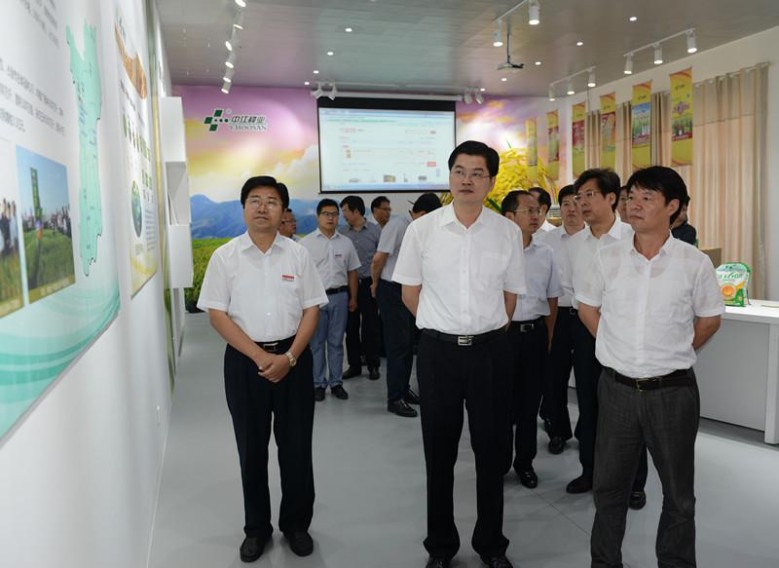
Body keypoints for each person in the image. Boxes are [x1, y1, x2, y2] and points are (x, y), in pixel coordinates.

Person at [577, 166, 723, 568]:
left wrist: (675, 351)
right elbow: (587, 307)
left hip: (672, 393)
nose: (634, 205)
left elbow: (710, 318)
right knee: (609, 489)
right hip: (617, 390)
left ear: (672, 207)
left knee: (678, 494)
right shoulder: (608, 257)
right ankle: (605, 562)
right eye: (631, 197)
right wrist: (614, 344)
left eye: (646, 198)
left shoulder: (693, 262)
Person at [394, 141, 526, 568]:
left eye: (477, 173)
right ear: (449, 176)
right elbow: (410, 293)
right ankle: (440, 547)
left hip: (490, 352)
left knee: (491, 451)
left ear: (491, 181)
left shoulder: (506, 232)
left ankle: (491, 544)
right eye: (459, 171)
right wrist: (442, 325)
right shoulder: (423, 230)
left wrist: (485, 329)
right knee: (439, 453)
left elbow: (510, 296)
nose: (467, 180)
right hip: (438, 354)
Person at [197, 175, 327, 562]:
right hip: (244, 363)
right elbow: (217, 315)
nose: (262, 207)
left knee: (297, 449)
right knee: (251, 450)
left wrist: (289, 358)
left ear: (283, 210)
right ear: (243, 208)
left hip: (294, 361)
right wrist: (259, 357)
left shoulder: (298, 255)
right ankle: (256, 529)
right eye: (254, 200)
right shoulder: (225, 257)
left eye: (271, 201)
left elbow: (312, 309)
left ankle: (296, 525)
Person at [560, 169, 649, 509]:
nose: (581, 203)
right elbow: (572, 290)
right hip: (586, 333)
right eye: (578, 196)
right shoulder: (575, 244)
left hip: (625, 332)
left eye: (589, 195)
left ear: (611, 198)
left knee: (630, 411)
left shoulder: (633, 237)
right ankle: (591, 471)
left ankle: (635, 483)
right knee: (589, 405)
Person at [501, 190, 560, 488]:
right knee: (500, 403)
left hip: (534, 334)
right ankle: (499, 461)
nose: (536, 216)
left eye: (538, 210)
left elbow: (552, 299)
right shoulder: (495, 253)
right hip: (503, 337)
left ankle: (525, 463)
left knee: (529, 404)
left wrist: (548, 337)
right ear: (509, 217)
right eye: (529, 211)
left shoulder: (546, 253)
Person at [371, 193, 441, 418]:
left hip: (411, 290)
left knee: (409, 344)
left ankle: (404, 389)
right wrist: (374, 284)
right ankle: (395, 398)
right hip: (392, 290)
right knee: (397, 346)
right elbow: (378, 259)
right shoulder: (398, 226)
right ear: (424, 214)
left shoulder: (418, 227)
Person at [535, 185, 584, 455]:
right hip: (557, 315)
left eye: (576, 202)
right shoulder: (547, 241)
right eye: (566, 204)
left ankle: (587, 432)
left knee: (588, 379)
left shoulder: (596, 239)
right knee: (554, 377)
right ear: (559, 208)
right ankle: (558, 431)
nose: (571, 209)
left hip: (588, 315)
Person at [299, 199, 361, 401]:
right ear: (318, 216)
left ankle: (336, 383)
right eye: (326, 214)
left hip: (340, 297)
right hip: (315, 300)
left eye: (334, 214)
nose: (330, 218)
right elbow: (300, 276)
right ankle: (318, 383)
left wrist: (353, 297)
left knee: (336, 342)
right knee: (316, 343)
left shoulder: (346, 243)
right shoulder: (305, 244)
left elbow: (352, 272)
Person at [339, 195, 382, 380]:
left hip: (369, 284)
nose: (343, 215)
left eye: (345, 211)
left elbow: (382, 259)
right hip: (349, 286)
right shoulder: (342, 233)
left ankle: (373, 365)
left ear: (356, 211)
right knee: (351, 327)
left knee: (371, 326)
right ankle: (354, 365)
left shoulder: (375, 231)